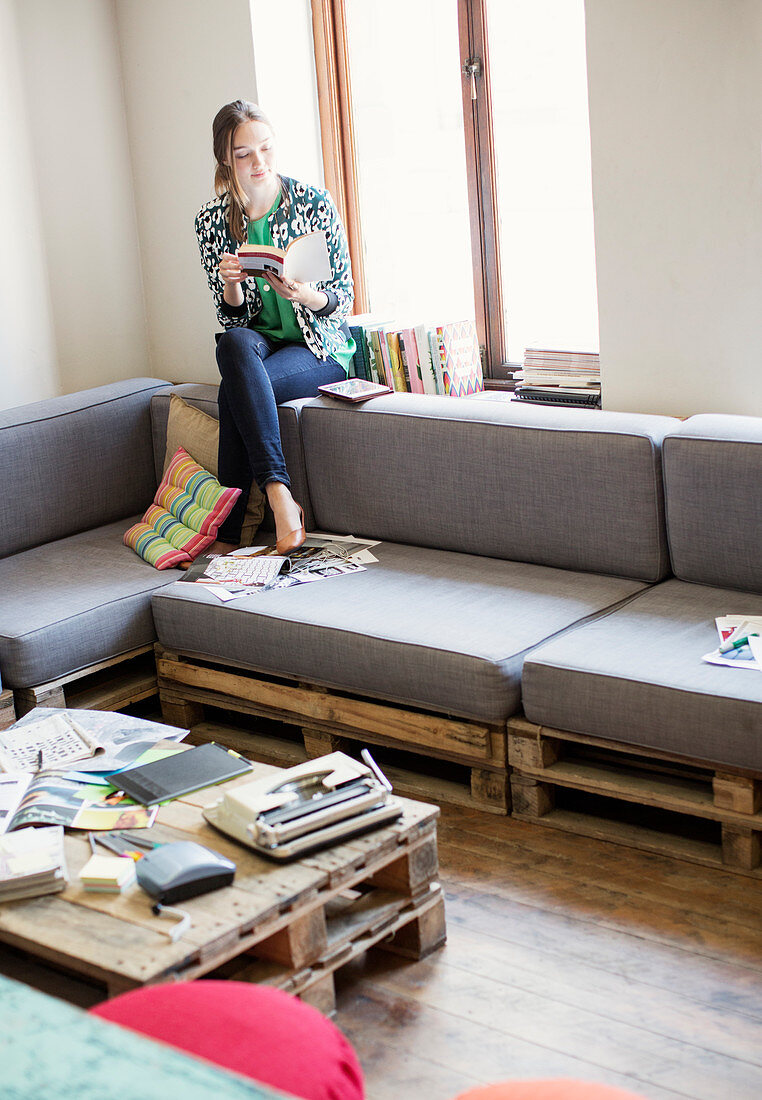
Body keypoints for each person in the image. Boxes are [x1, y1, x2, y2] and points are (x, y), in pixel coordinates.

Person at [195, 99, 355, 555]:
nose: (258, 162)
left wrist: (305, 294)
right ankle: (277, 495)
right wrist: (231, 288)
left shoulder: (314, 204)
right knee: (233, 344)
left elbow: (341, 303)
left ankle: (235, 527)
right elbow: (233, 321)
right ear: (226, 158)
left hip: (318, 347)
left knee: (234, 391)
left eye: (266, 148)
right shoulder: (211, 222)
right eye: (244, 154)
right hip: (258, 345)